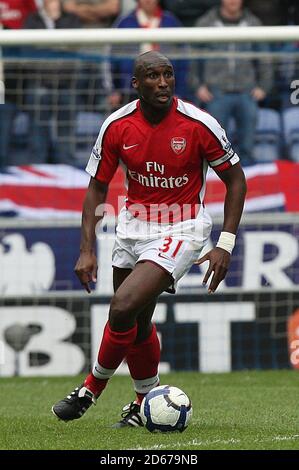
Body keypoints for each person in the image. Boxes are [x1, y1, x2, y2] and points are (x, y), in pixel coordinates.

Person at [52, 51, 247, 427]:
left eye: (168, 75)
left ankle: (90, 389)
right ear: (136, 84)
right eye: (153, 76)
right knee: (137, 323)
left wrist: (225, 243)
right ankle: (144, 403)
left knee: (122, 306)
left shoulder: (198, 124)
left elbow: (236, 180)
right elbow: (97, 188)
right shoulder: (117, 125)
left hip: (182, 226)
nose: (162, 83)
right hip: (132, 226)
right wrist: (86, 249)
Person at [194, 0, 272, 166]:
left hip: (247, 92)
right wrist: (197, 86)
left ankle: (249, 184)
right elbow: (194, 58)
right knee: (216, 148)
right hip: (216, 93)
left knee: (247, 147)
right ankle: (218, 186)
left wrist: (264, 86)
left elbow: (265, 58)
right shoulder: (205, 23)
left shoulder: (253, 24)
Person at [107, 0, 189, 110]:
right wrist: (113, 90)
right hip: (129, 92)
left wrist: (180, 91)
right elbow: (111, 58)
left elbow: (184, 59)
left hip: (165, 91)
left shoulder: (171, 22)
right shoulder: (124, 23)